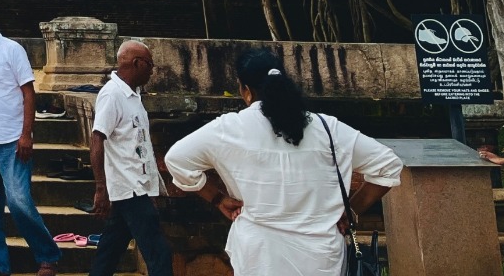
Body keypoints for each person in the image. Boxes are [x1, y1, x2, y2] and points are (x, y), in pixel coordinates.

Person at [165, 49, 403, 276]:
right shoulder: (328, 128)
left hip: (260, 257)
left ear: (246, 90)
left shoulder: (229, 129)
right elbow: (388, 165)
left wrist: (217, 198)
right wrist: (351, 211)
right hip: (321, 259)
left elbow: (176, 159)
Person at [0, 0, 62, 276]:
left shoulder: (12, 50)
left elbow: (28, 93)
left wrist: (26, 134)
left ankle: (47, 256)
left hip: (12, 140)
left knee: (19, 200)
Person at [87, 41, 173, 276]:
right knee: (159, 254)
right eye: (149, 64)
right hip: (129, 187)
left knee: (110, 249)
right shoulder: (112, 95)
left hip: (137, 187)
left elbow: (139, 145)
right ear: (137, 63)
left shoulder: (133, 96)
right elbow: (97, 139)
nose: (151, 70)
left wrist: (153, 187)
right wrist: (101, 187)